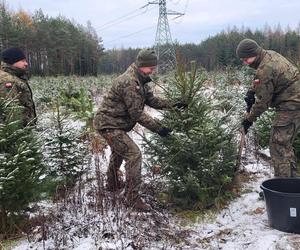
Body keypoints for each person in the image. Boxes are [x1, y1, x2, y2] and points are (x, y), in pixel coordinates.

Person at [94, 48, 185, 211]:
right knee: (134, 154)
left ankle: (112, 184)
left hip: (117, 124)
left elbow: (152, 101)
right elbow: (137, 114)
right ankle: (132, 198)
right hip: (108, 124)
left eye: (154, 67)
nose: (153, 70)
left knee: (119, 152)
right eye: (151, 67)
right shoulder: (129, 82)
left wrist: (174, 104)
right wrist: (159, 129)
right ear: (141, 65)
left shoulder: (141, 79)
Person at [237, 38, 300, 177]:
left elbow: (262, 103)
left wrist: (249, 120)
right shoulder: (269, 55)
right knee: (284, 145)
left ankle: (283, 187)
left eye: (246, 59)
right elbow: (264, 81)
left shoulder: (265, 68)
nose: (245, 62)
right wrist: (251, 91)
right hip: (294, 102)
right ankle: (293, 182)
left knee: (277, 145)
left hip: (291, 105)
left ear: (254, 53)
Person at [0, 47, 36, 127]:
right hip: (16, 134)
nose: (26, 64)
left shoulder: (15, 77)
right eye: (22, 61)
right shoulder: (8, 81)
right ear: (12, 61)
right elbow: (11, 112)